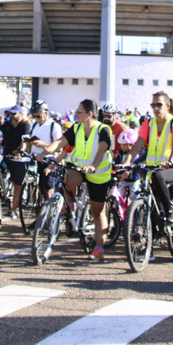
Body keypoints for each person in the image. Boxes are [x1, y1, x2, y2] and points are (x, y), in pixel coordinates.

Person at [39, 99, 113, 261]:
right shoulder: (76, 128)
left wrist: (93, 165)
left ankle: (99, 247)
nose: (76, 114)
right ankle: (71, 204)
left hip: (99, 173)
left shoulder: (103, 129)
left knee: (97, 211)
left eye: (79, 111)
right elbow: (60, 142)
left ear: (89, 114)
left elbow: (101, 149)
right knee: (68, 178)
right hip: (80, 169)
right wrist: (45, 153)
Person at [123, 91, 173, 254]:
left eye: (159, 105)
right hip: (153, 167)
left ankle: (169, 213)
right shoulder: (148, 124)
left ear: (167, 106)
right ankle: (150, 244)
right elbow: (138, 144)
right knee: (149, 202)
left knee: (159, 177)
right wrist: (127, 161)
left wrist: (171, 160)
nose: (155, 108)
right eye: (153, 105)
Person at [0, 104, 32, 218]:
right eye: (10, 114)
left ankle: (13, 210)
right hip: (6, 155)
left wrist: (21, 151)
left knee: (17, 185)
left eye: (14, 114)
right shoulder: (7, 124)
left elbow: (25, 141)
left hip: (19, 158)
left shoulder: (25, 125)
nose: (11, 116)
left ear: (20, 114)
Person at [27, 100, 64, 200]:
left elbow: (60, 148)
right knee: (33, 187)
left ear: (46, 113)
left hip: (47, 160)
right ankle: (36, 211)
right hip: (34, 159)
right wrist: (28, 142)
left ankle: (49, 211)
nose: (36, 119)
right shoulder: (34, 125)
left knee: (47, 189)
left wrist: (43, 145)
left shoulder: (54, 126)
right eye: (34, 116)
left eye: (38, 116)